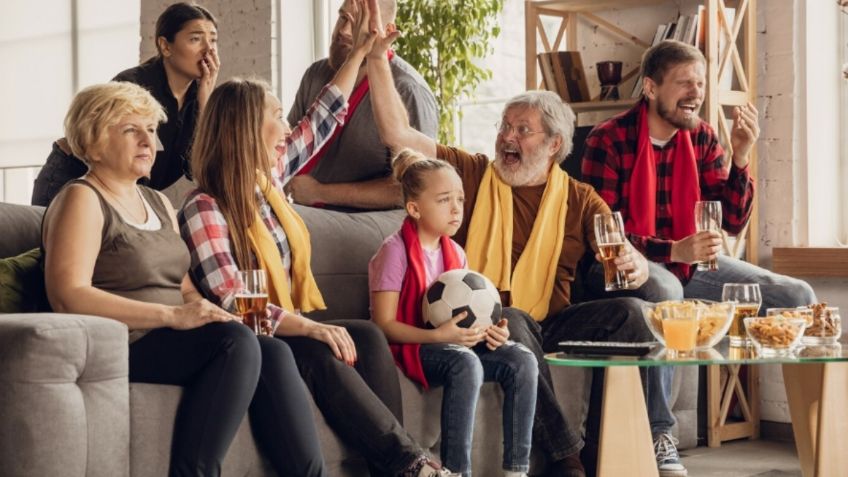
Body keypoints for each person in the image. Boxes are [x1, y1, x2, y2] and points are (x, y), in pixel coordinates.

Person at [363, 26, 679, 477]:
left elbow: (621, 249)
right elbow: (399, 134)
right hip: (493, 322)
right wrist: (378, 59)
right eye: (505, 127)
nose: (507, 138)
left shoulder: (580, 198)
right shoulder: (471, 173)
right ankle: (566, 454)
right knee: (513, 318)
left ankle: (652, 437)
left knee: (634, 313)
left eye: (522, 130)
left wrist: (635, 263)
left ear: (553, 145)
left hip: (554, 322)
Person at [178, 4, 456, 476]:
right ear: (247, 131)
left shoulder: (267, 181)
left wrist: (364, 54)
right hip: (248, 337)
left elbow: (322, 118)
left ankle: (393, 462)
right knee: (312, 348)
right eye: (275, 117)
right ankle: (411, 464)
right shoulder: (206, 207)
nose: (286, 129)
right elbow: (230, 298)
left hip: (283, 325)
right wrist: (308, 326)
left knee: (365, 334)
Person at [41, 81, 328, 477]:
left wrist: (202, 307)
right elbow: (68, 295)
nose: (149, 142)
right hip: (123, 340)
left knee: (270, 347)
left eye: (151, 130)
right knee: (236, 343)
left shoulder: (157, 201)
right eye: (131, 130)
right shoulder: (82, 198)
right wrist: (171, 316)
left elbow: (182, 282)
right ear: (92, 143)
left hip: (169, 333)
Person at [580, 40, 815, 315]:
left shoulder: (702, 136)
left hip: (687, 265)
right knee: (667, 291)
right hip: (619, 265)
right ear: (651, 88)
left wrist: (740, 156)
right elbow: (604, 235)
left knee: (796, 295)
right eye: (684, 83)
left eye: (701, 84)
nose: (696, 94)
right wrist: (674, 251)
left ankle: (733, 353)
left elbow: (732, 222)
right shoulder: (608, 138)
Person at [369, 149, 538, 477]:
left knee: (521, 359)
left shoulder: (455, 252)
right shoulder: (394, 252)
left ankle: (516, 469)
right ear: (414, 208)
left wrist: (490, 333)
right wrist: (437, 336)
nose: (456, 208)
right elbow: (383, 325)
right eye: (444, 199)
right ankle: (456, 471)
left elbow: (471, 315)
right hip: (413, 347)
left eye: (460, 199)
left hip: (452, 344)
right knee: (465, 362)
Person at [32, 2, 220, 206]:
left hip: (123, 191)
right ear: (166, 46)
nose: (208, 50)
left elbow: (196, 169)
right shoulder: (133, 86)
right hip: (71, 175)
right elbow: (118, 156)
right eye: (196, 39)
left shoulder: (200, 96)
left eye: (213, 40)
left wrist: (205, 101)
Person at [284, 0, 438, 211]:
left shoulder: (409, 89)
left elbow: (416, 185)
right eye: (343, 18)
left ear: (387, 31)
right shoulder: (315, 74)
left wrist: (320, 192)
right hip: (308, 206)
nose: (345, 31)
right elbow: (289, 144)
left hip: (375, 216)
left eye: (358, 24)